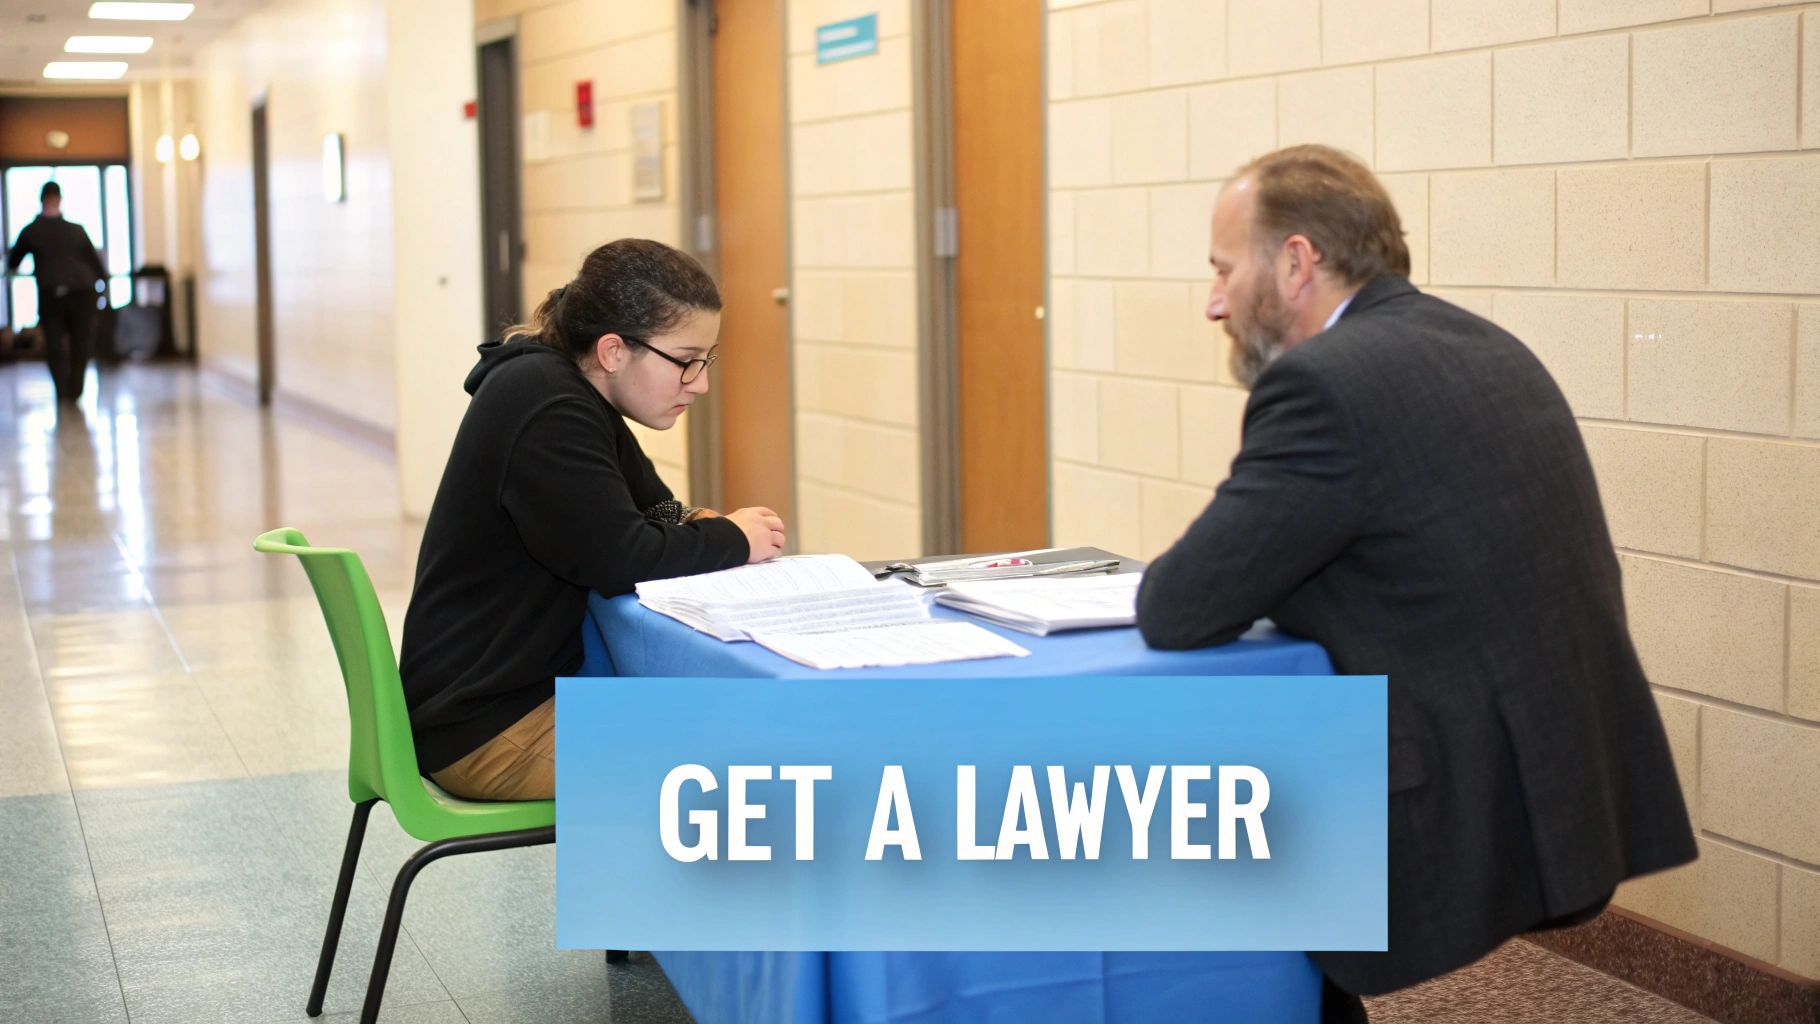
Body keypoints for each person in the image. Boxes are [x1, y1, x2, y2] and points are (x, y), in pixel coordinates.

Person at [1134, 146, 1696, 1020]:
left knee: (1174, 831)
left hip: (1447, 795)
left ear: (1295, 261)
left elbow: (1176, 608)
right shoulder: (1484, 343)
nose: (1213, 302)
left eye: (1222, 269)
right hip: (1557, 779)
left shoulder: (1322, 387)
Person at [399, 238, 787, 802]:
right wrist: (730, 536)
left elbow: (657, 513)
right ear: (612, 351)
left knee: (748, 731)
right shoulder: (549, 405)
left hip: (503, 702)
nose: (700, 382)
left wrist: (701, 530)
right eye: (686, 360)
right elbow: (622, 557)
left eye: (707, 360)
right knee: (754, 758)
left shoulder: (575, 393)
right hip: (488, 729)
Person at [6, 182, 107, 403]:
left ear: (41, 200)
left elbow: (13, 262)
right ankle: (75, 390)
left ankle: (63, 391)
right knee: (81, 342)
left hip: (52, 295)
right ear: (59, 200)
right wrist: (103, 290)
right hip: (81, 293)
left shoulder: (31, 231)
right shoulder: (76, 230)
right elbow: (96, 265)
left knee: (54, 344)